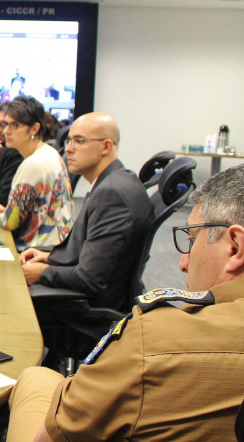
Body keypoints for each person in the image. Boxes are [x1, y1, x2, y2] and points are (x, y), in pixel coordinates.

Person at [5, 162, 244, 442]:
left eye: (191, 240)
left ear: (235, 248)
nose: (183, 263)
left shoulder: (157, 337)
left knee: (35, 379)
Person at [19, 113, 154, 312]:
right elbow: (96, 252)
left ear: (106, 146)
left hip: (88, 309)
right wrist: (49, 258)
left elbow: (90, 278)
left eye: (79, 141)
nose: (68, 148)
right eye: (69, 140)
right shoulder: (116, 181)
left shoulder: (111, 195)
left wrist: (43, 272)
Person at [0, 97, 74, 249]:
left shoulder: (32, 164)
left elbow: (10, 222)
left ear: (34, 129)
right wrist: (7, 211)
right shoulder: (49, 152)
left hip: (35, 250)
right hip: (55, 246)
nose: (6, 131)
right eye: (6, 124)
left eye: (14, 125)